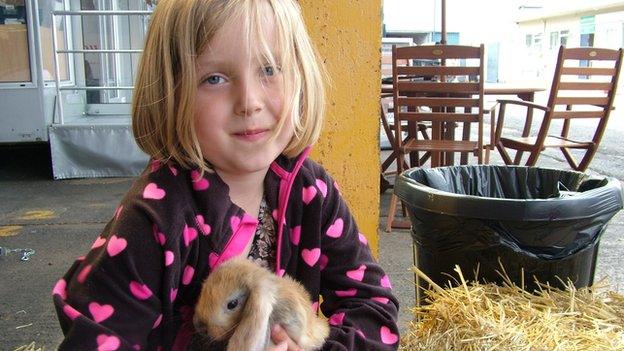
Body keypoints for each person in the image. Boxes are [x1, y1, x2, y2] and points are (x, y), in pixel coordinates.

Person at [52, 0, 400, 350]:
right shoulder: (153, 219)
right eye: (214, 78)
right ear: (170, 93)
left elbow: (373, 307)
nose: (249, 102)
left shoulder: (313, 192)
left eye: (269, 69)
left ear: (300, 78)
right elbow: (93, 338)